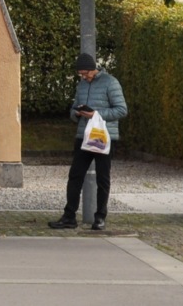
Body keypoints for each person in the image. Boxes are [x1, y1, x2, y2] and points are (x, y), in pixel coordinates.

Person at [49, 52, 127, 232]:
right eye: (81, 74)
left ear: (94, 69)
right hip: (83, 136)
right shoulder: (81, 85)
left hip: (103, 136)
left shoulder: (111, 82)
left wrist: (96, 115)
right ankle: (69, 216)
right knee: (75, 176)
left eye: (86, 73)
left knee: (102, 178)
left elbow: (122, 110)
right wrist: (76, 113)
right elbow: (73, 108)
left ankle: (100, 218)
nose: (84, 77)